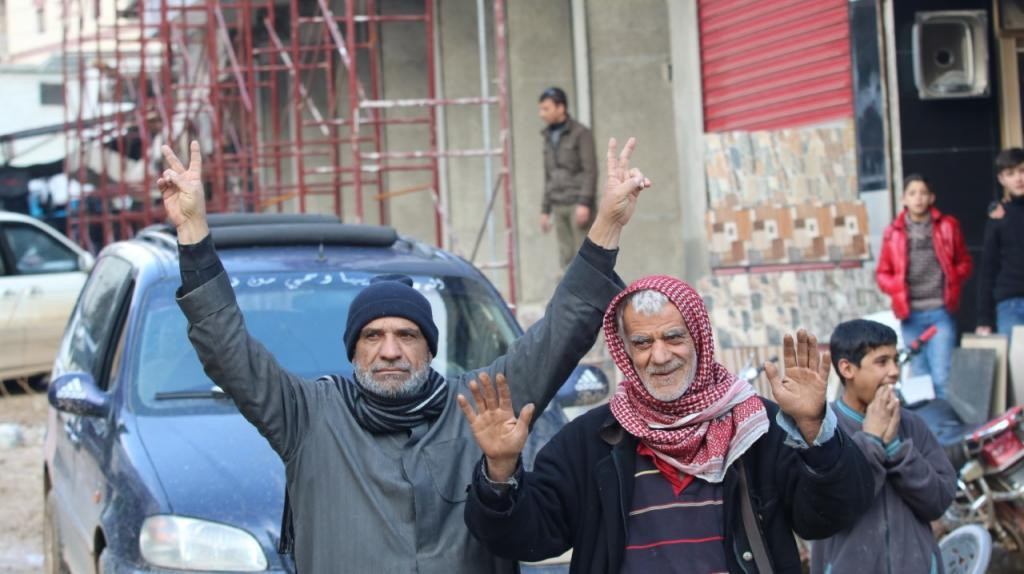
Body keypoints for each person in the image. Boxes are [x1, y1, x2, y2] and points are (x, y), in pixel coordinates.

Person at [157, 137, 651, 573]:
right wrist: (194, 235)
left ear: (429, 349)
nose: (389, 350)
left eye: (407, 335)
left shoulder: (481, 405)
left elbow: (562, 331)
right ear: (353, 350)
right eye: (372, 336)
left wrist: (606, 225)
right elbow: (225, 346)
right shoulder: (308, 417)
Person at [459, 277, 874, 574]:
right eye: (642, 343)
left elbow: (829, 517)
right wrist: (500, 471)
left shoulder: (756, 426)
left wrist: (813, 426)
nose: (659, 356)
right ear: (626, 352)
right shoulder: (592, 440)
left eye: (673, 337)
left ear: (699, 338)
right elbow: (529, 538)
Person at [810, 319, 956, 574]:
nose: (895, 371)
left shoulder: (912, 425)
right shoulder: (822, 431)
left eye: (895, 359)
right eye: (881, 361)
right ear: (847, 369)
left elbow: (939, 500)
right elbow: (829, 508)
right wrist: (871, 442)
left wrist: (896, 450)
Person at [875, 175, 971, 399]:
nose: (918, 198)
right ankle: (925, 430)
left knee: (942, 377)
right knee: (919, 376)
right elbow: (882, 273)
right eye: (912, 193)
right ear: (904, 199)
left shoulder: (948, 226)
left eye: (923, 193)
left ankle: (945, 431)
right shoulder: (893, 233)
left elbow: (964, 262)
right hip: (910, 315)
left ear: (931, 197)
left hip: (941, 311)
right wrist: (897, 288)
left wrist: (953, 278)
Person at [538, 87, 598, 269]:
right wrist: (545, 209)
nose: (542, 114)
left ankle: (591, 297)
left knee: (586, 257)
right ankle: (572, 298)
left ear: (561, 107)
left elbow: (590, 170)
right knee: (566, 257)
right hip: (558, 204)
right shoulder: (548, 136)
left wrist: (584, 203)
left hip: (577, 204)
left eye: (546, 109)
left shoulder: (581, 133)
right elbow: (549, 174)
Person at [977, 148, 1024, 342]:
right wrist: (984, 319)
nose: (1018, 178)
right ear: (1001, 179)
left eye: (1022, 171)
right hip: (1010, 302)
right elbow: (988, 268)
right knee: (1018, 368)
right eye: (1010, 174)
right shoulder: (998, 216)